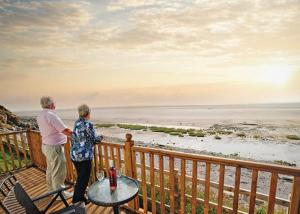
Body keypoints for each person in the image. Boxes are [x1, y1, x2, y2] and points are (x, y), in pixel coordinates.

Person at [36, 96, 73, 199]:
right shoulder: (51, 115)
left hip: (47, 146)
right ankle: (60, 195)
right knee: (58, 170)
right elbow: (64, 130)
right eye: (54, 102)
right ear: (51, 104)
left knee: (51, 169)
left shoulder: (40, 115)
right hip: (54, 148)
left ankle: (51, 190)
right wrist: (78, 135)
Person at [71, 104, 103, 204]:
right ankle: (76, 200)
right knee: (83, 179)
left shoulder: (77, 122)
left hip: (75, 154)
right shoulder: (88, 124)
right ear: (88, 113)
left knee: (80, 177)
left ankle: (81, 198)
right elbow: (94, 139)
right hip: (84, 156)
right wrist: (101, 137)